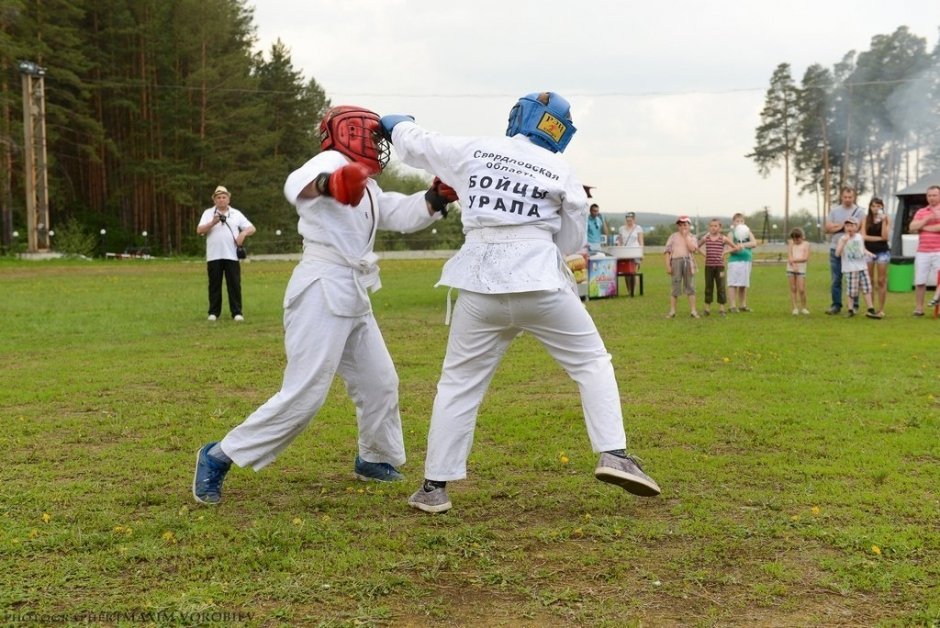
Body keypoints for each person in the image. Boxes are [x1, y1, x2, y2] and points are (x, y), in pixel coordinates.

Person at [380, 92, 661, 514]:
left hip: (478, 281)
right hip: (540, 280)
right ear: (559, 132)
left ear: (518, 117)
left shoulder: (475, 149)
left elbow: (416, 141)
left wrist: (392, 122)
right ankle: (614, 453)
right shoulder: (561, 169)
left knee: (458, 384)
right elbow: (570, 242)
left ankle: (434, 486)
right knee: (591, 363)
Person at [192, 106, 450, 505]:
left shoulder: (366, 185)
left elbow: (396, 214)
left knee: (380, 383)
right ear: (352, 132)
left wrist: (434, 198)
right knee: (304, 395)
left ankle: (374, 457)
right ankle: (218, 456)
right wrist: (330, 183)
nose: (380, 146)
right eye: (376, 137)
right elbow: (297, 184)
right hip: (320, 287)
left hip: (350, 289)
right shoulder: (331, 161)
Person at [196, 186, 256, 321]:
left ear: (228, 199)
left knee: (234, 284)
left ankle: (237, 312)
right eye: (218, 198)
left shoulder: (236, 213)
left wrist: (243, 233)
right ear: (214, 200)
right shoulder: (208, 213)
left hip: (232, 255)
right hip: (214, 255)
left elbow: (252, 228)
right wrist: (212, 223)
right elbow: (199, 230)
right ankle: (213, 313)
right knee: (214, 284)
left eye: (224, 197)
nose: (221, 200)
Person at [824, 187, 864, 315]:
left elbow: (858, 230)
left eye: (850, 197)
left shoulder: (860, 212)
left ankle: (854, 305)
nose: (847, 199)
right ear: (841, 197)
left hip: (852, 250)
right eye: (845, 197)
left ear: (854, 197)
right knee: (836, 279)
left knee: (853, 278)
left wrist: (837, 226)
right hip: (835, 248)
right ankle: (836, 305)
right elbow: (827, 229)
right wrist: (843, 225)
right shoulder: (834, 211)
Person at [834, 217, 881, 319]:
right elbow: (837, 253)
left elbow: (862, 249)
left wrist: (870, 254)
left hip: (862, 267)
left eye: (852, 225)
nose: (849, 228)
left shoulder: (859, 237)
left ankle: (870, 309)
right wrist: (843, 242)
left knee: (867, 288)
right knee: (852, 291)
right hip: (850, 269)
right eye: (847, 226)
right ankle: (850, 310)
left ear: (856, 227)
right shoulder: (842, 239)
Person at [909, 184, 940, 316]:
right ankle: (919, 308)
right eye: (929, 195)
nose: (932, 198)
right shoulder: (921, 212)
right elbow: (912, 227)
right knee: (920, 281)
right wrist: (927, 219)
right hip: (922, 251)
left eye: (934, 195)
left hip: (938, 250)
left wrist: (922, 227)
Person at [697, 218, 735, 316]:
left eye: (715, 226)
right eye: (711, 226)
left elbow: (735, 247)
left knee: (721, 287)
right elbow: (696, 246)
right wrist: (704, 254)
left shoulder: (723, 238)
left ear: (720, 227)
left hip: (720, 267)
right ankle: (707, 309)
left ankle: (722, 309)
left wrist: (725, 252)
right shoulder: (706, 238)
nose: (713, 228)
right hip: (709, 267)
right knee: (708, 287)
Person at [664, 215, 699, 318]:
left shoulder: (692, 237)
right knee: (675, 286)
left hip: (688, 262)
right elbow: (667, 252)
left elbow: (693, 249)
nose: (682, 227)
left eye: (685, 224)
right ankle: (672, 311)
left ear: (689, 225)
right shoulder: (673, 236)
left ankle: (693, 311)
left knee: (690, 287)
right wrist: (668, 266)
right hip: (676, 261)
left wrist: (685, 237)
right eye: (680, 225)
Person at [861, 197, 890, 317]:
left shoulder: (887, 219)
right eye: (873, 206)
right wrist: (878, 238)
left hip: (882, 252)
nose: (876, 208)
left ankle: (881, 309)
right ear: (869, 207)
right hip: (868, 251)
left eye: (878, 206)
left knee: (881, 280)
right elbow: (863, 236)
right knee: (870, 280)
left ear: (882, 207)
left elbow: (885, 236)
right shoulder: (865, 219)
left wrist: (883, 221)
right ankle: (871, 307)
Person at [727, 213, 757, 312]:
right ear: (733, 222)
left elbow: (754, 243)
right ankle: (732, 306)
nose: (739, 223)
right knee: (733, 283)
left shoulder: (748, 232)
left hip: (746, 261)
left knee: (743, 284)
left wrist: (743, 245)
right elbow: (729, 248)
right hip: (735, 262)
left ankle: (743, 305)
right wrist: (736, 248)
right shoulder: (731, 233)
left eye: (741, 221)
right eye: (737, 221)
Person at [617, 211, 644, 295]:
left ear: (634, 219)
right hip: (625, 253)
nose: (629, 221)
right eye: (628, 220)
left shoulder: (638, 228)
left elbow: (641, 241)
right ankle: (628, 289)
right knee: (626, 272)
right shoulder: (621, 229)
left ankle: (632, 290)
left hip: (635, 252)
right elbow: (620, 242)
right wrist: (618, 250)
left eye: (631, 220)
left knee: (633, 272)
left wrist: (641, 253)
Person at [786, 227, 811, 315]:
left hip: (801, 269)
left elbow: (805, 258)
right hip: (791, 268)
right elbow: (789, 255)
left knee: (801, 289)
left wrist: (795, 262)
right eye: (794, 239)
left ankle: (804, 307)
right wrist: (793, 264)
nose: (796, 240)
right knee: (793, 288)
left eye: (798, 238)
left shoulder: (806, 244)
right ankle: (795, 308)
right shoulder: (791, 244)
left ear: (802, 236)